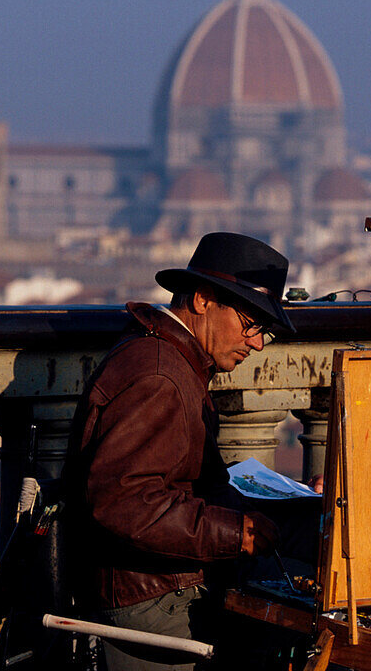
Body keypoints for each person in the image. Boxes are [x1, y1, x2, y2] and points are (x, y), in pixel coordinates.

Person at [66, 232, 296, 670]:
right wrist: (235, 533)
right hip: (148, 599)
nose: (257, 343)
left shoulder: (170, 359)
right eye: (251, 324)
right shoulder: (160, 376)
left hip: (154, 584)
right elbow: (124, 504)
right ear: (204, 300)